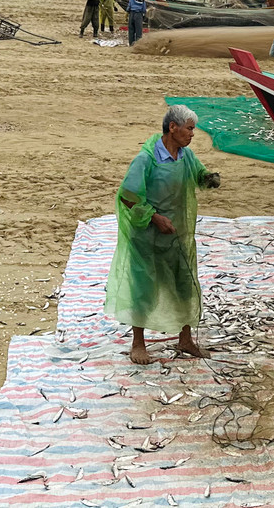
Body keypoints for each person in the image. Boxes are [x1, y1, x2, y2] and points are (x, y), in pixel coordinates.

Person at [104, 104, 222, 364]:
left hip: (177, 234)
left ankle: (185, 339)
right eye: (189, 129)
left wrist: (208, 178)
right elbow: (128, 197)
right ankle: (138, 344)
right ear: (173, 127)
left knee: (184, 286)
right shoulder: (147, 159)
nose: (192, 134)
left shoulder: (185, 156)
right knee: (143, 289)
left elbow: (198, 173)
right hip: (147, 236)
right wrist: (155, 218)